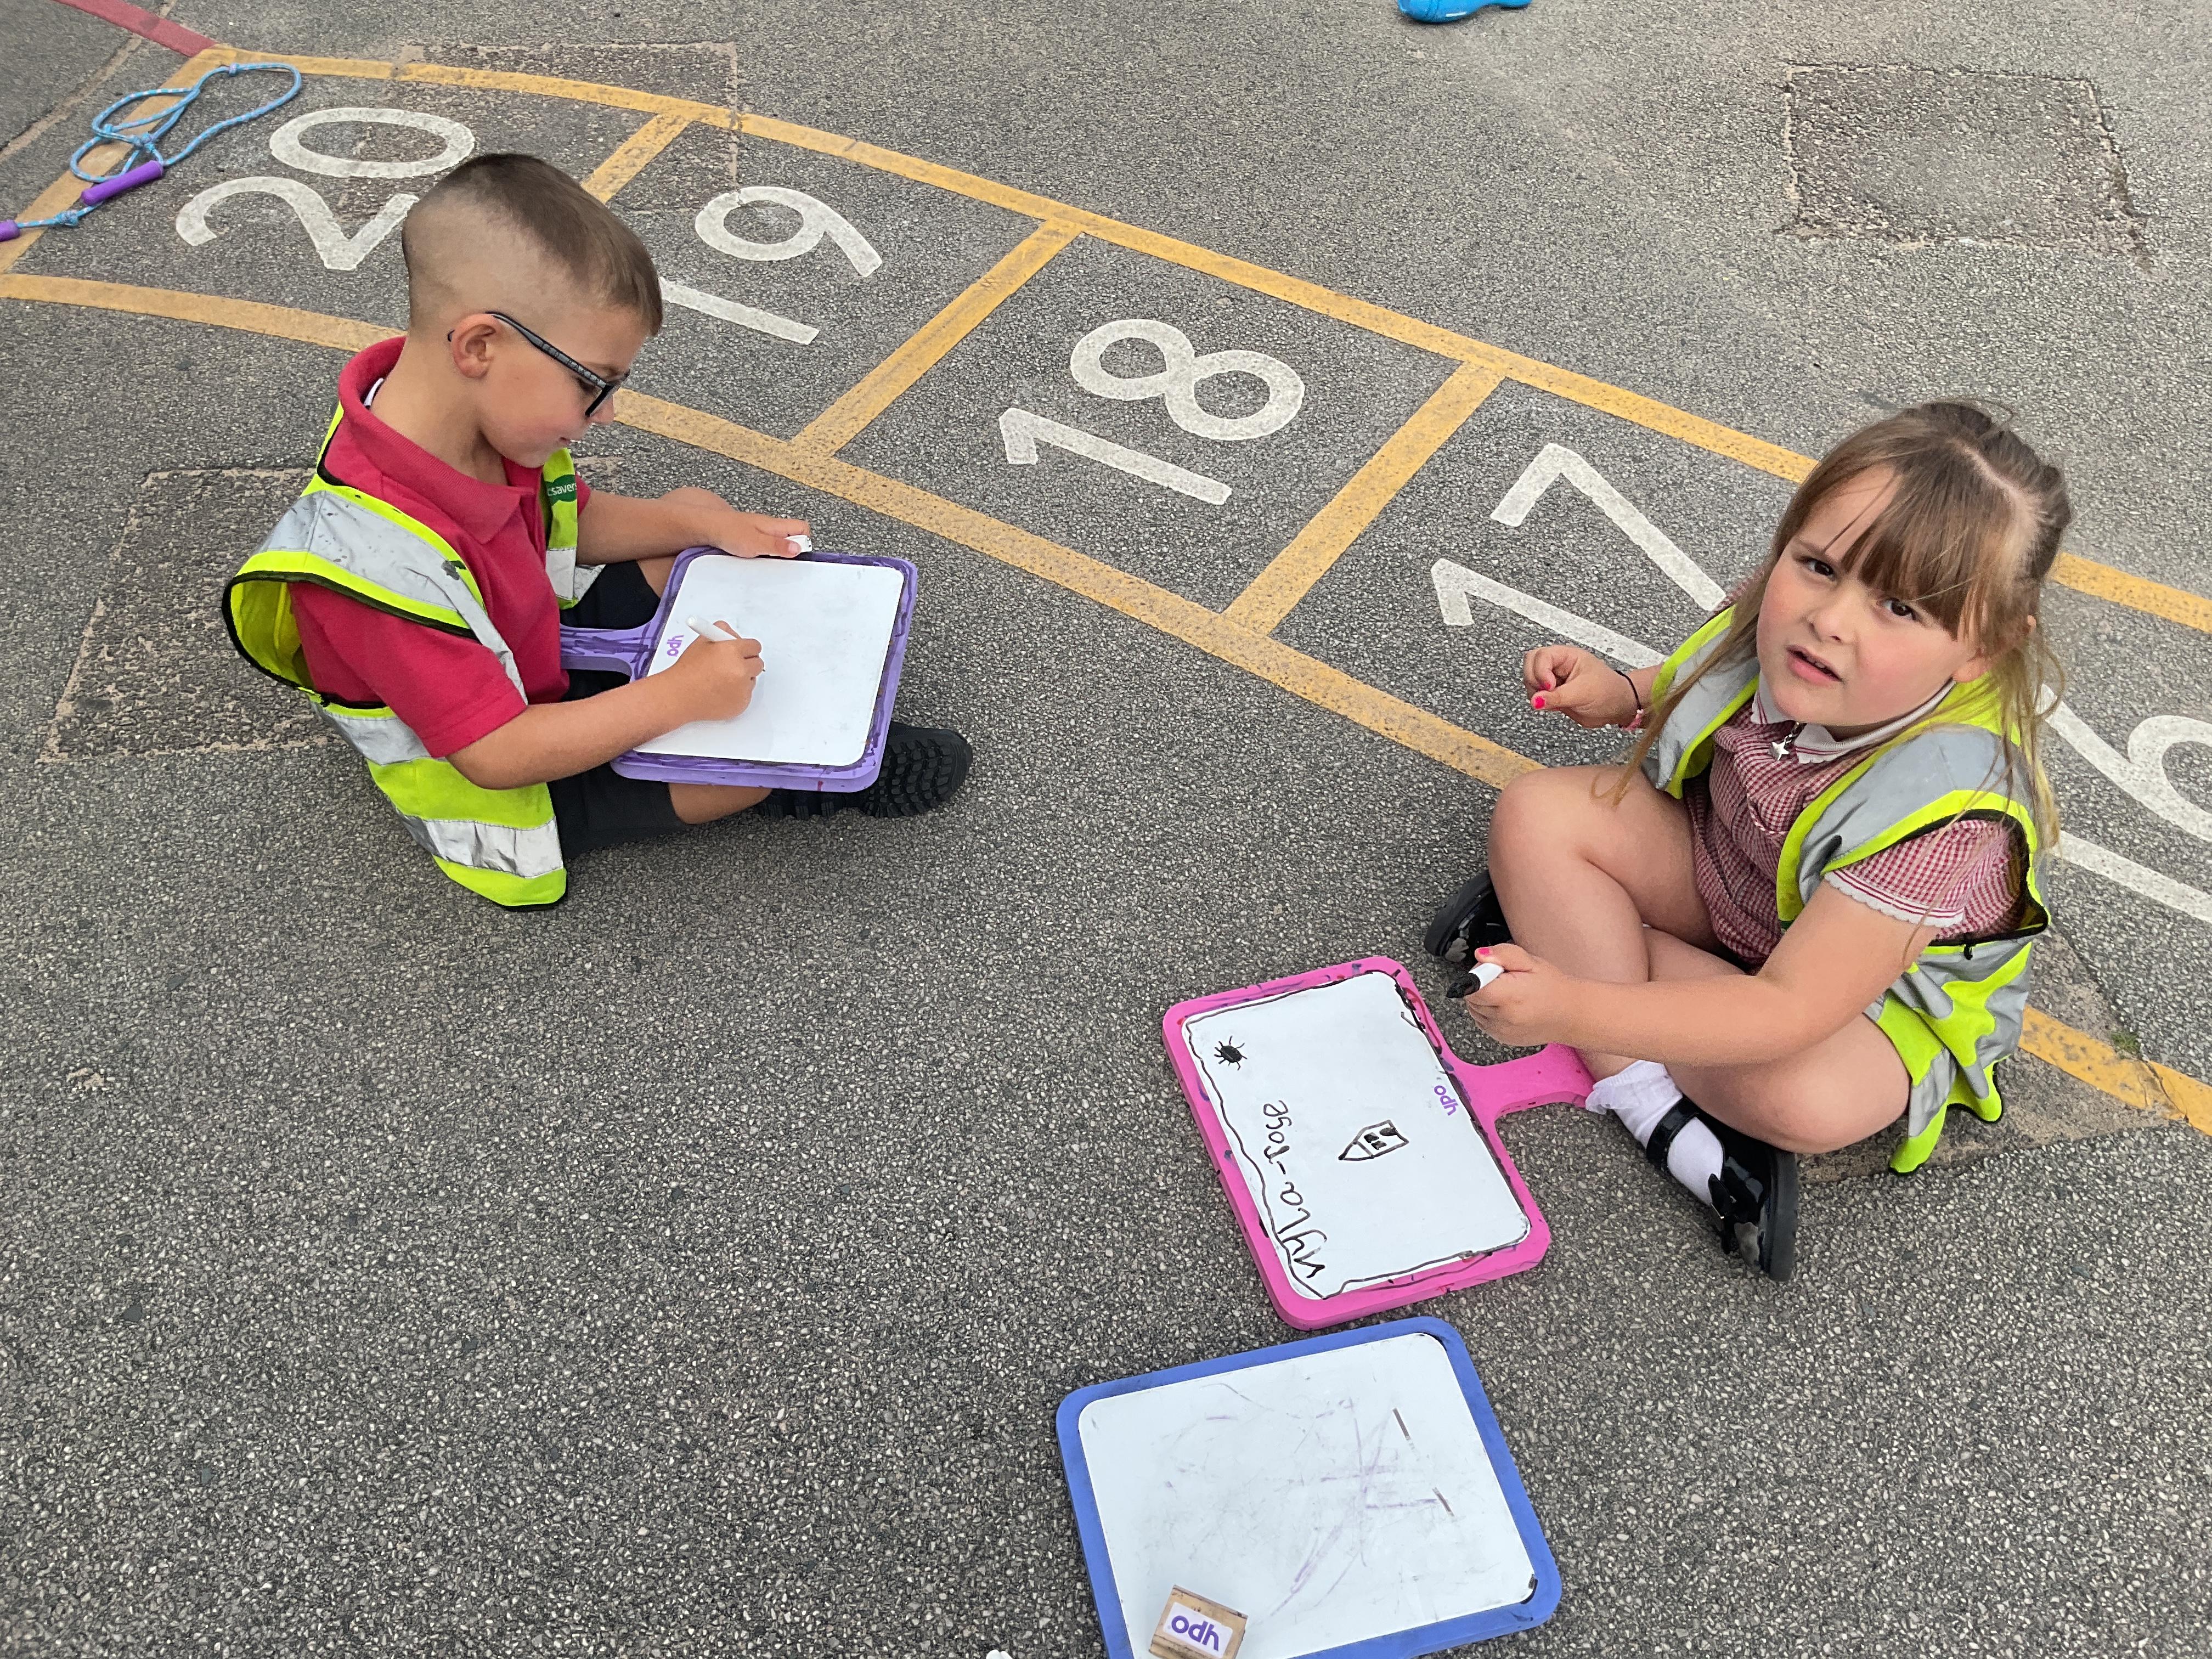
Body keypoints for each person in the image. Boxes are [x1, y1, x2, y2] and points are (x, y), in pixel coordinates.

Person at [1425, 403, 2069, 1280]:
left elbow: (1791, 1010)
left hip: (1861, 1002)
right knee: (1537, 813)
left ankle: (1592, 977)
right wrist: (1623, 693)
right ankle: (1647, 1096)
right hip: (1727, 875)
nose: (1831, 618)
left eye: (1898, 607)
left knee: (1803, 1100)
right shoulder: (1781, 609)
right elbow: (1706, 668)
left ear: (1983, 649)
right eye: (1819, 565)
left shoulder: (1952, 813)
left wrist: (1573, 1005)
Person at [225, 153, 969, 908]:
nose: (608, 412)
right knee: (734, 781)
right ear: (479, 347)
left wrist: (706, 524)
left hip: (530, 645)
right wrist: (676, 699)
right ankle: (796, 779)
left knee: (695, 524)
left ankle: (752, 707)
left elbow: (570, 520)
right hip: (512, 769)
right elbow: (496, 754)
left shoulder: (468, 419)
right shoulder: (372, 574)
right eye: (592, 382)